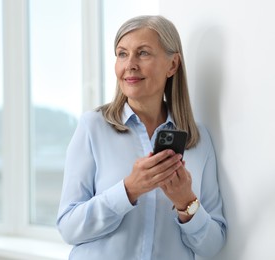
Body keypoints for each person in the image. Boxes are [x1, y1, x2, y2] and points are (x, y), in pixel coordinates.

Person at [56, 15, 227, 260]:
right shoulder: (92, 127)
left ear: (173, 65)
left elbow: (213, 245)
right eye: (122, 54)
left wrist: (186, 202)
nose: (130, 64)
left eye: (143, 53)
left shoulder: (198, 140)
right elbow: (68, 228)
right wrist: (128, 190)